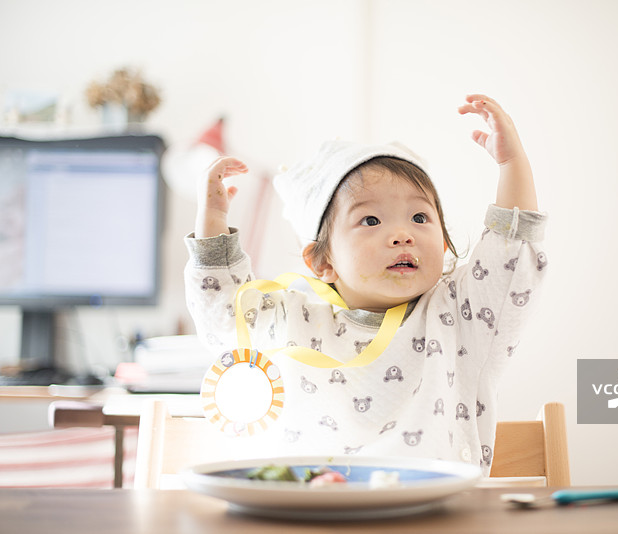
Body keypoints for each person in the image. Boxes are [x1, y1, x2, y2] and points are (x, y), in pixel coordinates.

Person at [184, 94, 548, 474]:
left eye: (420, 217)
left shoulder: (460, 317)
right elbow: (224, 311)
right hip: (306, 514)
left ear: (442, 244)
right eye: (371, 220)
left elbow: (511, 254)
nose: (402, 234)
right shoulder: (290, 318)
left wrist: (512, 164)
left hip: (431, 516)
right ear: (323, 262)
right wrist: (211, 218)